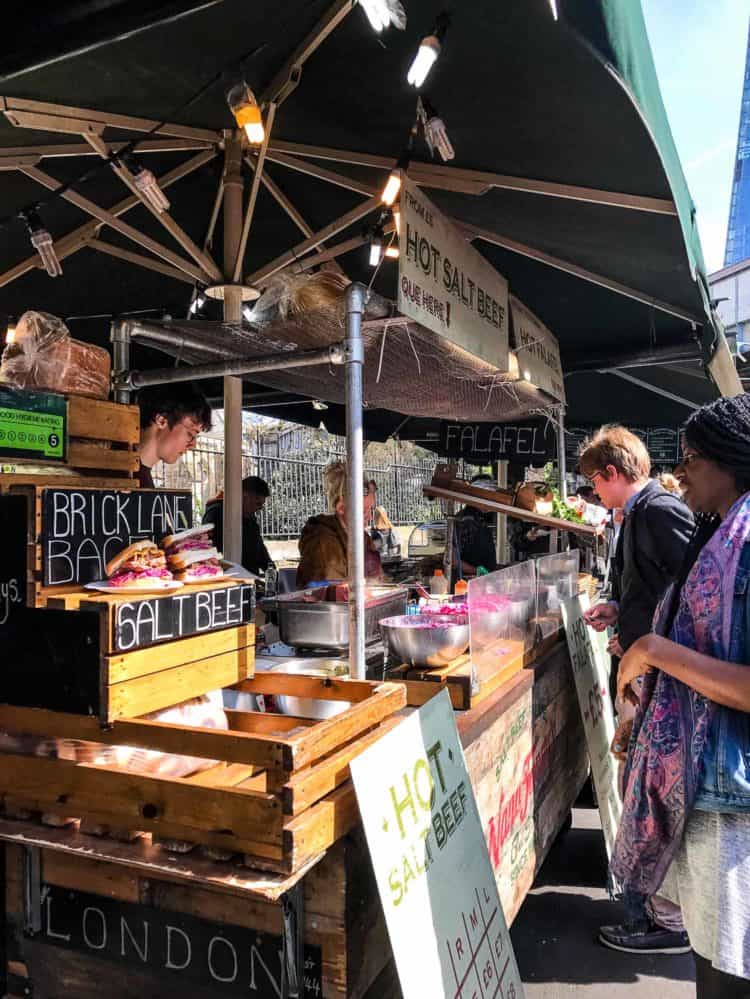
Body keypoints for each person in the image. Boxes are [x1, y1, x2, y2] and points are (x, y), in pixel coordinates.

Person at [612, 394, 750, 997]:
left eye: (691, 458)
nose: (682, 470)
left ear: (731, 460)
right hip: (705, 792)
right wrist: (648, 715)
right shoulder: (720, 535)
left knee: (726, 975)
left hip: (732, 806)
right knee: (711, 966)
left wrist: (652, 652)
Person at [578, 424, 694, 955]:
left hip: (659, 676)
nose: (594, 495)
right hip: (647, 667)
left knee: (649, 790)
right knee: (638, 784)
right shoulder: (641, 513)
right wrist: (621, 612)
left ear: (612, 474)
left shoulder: (659, 510)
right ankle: (657, 908)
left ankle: (667, 920)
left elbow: (694, 589)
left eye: (595, 485)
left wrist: (652, 649)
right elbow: (658, 587)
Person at [297, 460, 382, 586]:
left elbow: (377, 580)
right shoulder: (322, 543)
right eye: (363, 511)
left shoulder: (363, 538)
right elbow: (334, 593)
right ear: (341, 507)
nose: (369, 516)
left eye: (371, 509)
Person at [136, 382, 212, 488]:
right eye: (190, 433)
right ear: (162, 421)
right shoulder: (121, 477)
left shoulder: (139, 477)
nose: (193, 445)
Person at [203, 476, 273, 576]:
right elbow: (209, 548)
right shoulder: (216, 514)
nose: (259, 509)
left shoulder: (251, 520)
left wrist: (272, 570)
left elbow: (260, 550)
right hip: (224, 580)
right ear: (244, 496)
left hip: (250, 580)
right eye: (257, 504)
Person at [453, 476, 498, 580]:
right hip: (469, 581)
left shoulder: (479, 518)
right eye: (490, 498)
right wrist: (476, 570)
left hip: (482, 578)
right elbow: (453, 559)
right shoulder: (466, 520)